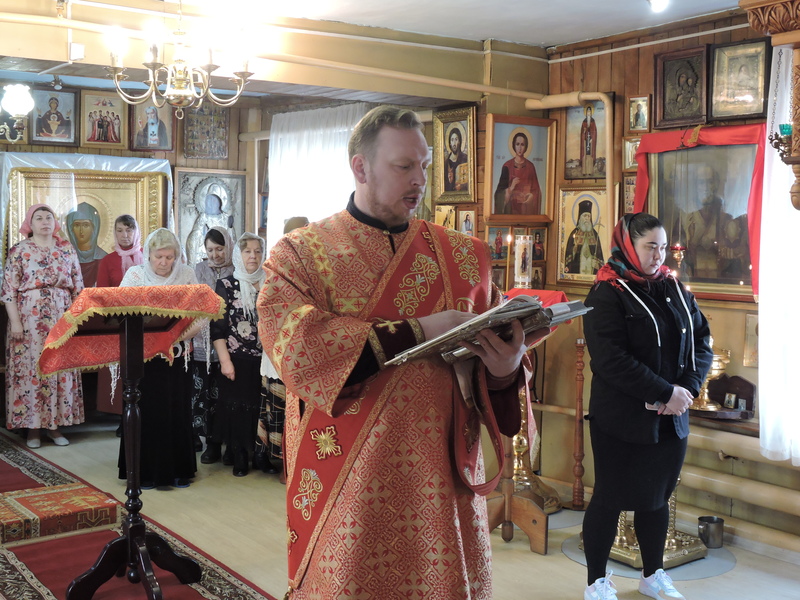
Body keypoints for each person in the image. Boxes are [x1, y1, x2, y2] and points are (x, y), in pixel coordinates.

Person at [257, 105, 548, 599]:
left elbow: (496, 355)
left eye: (425, 165)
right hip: (349, 482)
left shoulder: (464, 256)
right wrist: (420, 330)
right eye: (404, 166)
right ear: (360, 167)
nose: (420, 180)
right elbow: (299, 347)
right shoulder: (301, 254)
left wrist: (505, 368)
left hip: (442, 479)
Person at [581, 213, 712, 600]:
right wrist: (664, 391)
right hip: (622, 419)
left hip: (671, 418)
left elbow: (702, 341)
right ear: (628, 246)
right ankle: (596, 582)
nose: (659, 256)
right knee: (609, 498)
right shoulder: (607, 292)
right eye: (650, 246)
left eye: (663, 247)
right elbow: (611, 359)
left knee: (657, 499)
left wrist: (686, 389)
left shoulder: (673, 287)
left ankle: (652, 575)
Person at [118, 228, 201, 489]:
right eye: (159, 257)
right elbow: (121, 313)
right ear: (148, 255)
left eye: (169, 257)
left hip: (178, 355)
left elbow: (201, 315)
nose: (164, 263)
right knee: (147, 411)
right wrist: (155, 340)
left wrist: (174, 338)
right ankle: (143, 472)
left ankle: (179, 470)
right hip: (144, 357)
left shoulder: (186, 275)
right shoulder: (135, 276)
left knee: (177, 410)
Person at [2, 204, 84, 448]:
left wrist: (76, 321)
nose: (45, 221)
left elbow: (78, 287)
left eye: (49, 217)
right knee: (32, 371)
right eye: (39, 218)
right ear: (30, 223)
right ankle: (33, 430)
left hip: (62, 318)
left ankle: (55, 427)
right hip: (29, 321)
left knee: (57, 369)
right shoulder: (19, 250)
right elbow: (8, 291)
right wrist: (15, 322)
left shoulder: (66, 248)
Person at [255, 216, 309, 478]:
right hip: (279, 349)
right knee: (279, 411)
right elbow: (267, 311)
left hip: (308, 351)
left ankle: (303, 463)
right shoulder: (274, 268)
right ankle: (284, 464)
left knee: (305, 413)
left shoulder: (316, 267)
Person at [210, 233, 266, 477]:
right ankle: (240, 455)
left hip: (266, 360)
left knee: (262, 408)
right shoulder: (226, 285)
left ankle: (261, 455)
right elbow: (217, 329)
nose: (253, 256)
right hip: (236, 358)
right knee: (238, 408)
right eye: (247, 251)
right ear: (238, 255)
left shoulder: (271, 283)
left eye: (257, 251)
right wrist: (225, 361)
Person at [193, 227, 235, 462]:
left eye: (220, 249)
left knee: (225, 396)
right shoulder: (199, 270)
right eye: (210, 250)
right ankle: (210, 442)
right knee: (204, 395)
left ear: (229, 246)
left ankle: (228, 443)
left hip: (230, 343)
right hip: (202, 342)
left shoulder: (237, 269)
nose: (215, 255)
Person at [680, 165, 750, 282]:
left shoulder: (727, 216)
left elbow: (742, 253)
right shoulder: (684, 217)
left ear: (716, 184)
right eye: (701, 182)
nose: (706, 187)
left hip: (722, 281)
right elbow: (675, 251)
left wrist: (734, 253)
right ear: (695, 186)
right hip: (692, 279)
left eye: (710, 182)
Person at [493, 130, 541, 215]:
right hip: (510, 210)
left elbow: (536, 191)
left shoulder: (530, 167)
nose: (519, 148)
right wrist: (511, 188)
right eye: (517, 144)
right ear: (513, 146)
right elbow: (499, 194)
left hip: (526, 209)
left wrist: (531, 196)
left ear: (526, 146)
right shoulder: (507, 166)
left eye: (522, 144)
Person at [65, 202, 108, 287]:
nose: (81, 231)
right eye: (77, 225)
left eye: (86, 225)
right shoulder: (66, 257)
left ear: (94, 228)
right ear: (71, 229)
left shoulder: (104, 259)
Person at [96, 215, 144, 287]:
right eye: (120, 231)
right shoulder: (107, 261)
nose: (124, 235)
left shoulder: (148, 256)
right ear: (115, 233)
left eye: (128, 230)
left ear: (136, 232)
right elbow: (102, 291)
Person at [564, 199, 604, 276]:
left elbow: (600, 256)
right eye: (585, 216)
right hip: (577, 271)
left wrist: (597, 265)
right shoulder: (574, 234)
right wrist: (574, 251)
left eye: (589, 216)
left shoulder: (595, 235)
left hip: (592, 273)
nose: (587, 218)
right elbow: (568, 257)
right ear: (580, 218)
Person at [444, 125, 468, 192]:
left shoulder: (465, 159)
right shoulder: (446, 163)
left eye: (456, 139)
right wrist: (450, 182)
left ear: (459, 141)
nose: (454, 144)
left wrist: (462, 186)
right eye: (452, 140)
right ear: (450, 143)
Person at [581, 105, 598, 176]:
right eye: (588, 112)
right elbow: (582, 132)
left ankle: (590, 171)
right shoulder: (584, 121)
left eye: (590, 112)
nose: (589, 113)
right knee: (585, 156)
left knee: (590, 156)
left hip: (590, 141)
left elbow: (594, 131)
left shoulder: (593, 121)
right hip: (585, 141)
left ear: (591, 113)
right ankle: (584, 171)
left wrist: (592, 139)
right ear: (586, 113)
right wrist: (584, 132)